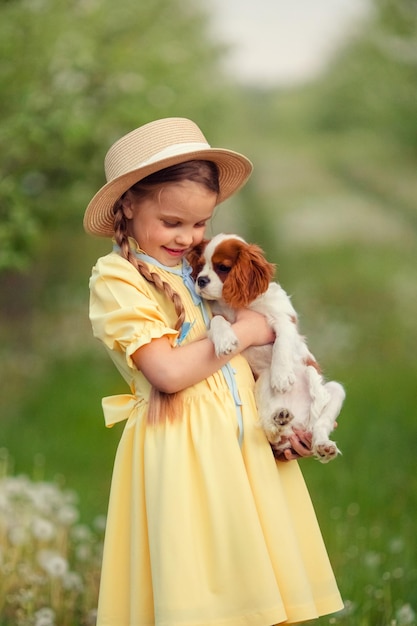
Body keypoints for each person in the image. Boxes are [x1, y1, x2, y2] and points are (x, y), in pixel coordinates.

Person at [84, 117, 343, 626]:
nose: (188, 237)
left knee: (254, 595)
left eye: (200, 224)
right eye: (173, 222)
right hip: (183, 450)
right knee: (200, 593)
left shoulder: (199, 268)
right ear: (129, 205)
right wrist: (249, 331)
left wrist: (289, 415)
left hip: (244, 441)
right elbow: (169, 372)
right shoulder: (117, 277)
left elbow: (269, 348)